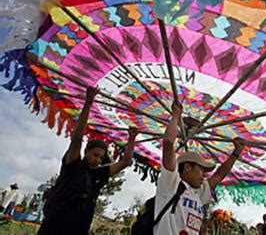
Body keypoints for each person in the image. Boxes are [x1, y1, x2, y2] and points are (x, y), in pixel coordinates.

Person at [38, 86, 138, 235]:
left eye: (101, 158)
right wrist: (89, 102)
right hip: (53, 227)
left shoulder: (97, 175)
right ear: (86, 151)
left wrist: (132, 138)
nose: (97, 160)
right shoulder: (72, 165)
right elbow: (78, 136)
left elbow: (125, 162)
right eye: (95, 155)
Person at [154, 103, 245, 235]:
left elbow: (219, 175)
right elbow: (168, 143)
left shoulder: (198, 193)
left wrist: (236, 153)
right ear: (187, 167)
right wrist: (176, 116)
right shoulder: (171, 183)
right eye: (201, 170)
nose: (204, 175)